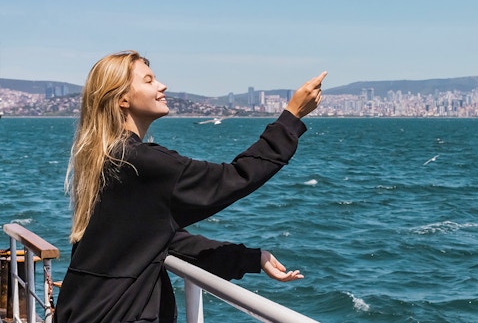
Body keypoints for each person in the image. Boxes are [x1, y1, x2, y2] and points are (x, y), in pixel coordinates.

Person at [55, 50, 326, 323]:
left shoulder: (108, 158)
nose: (162, 86)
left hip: (80, 309)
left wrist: (252, 259)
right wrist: (292, 116)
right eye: (148, 81)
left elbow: (160, 239)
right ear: (122, 99)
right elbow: (237, 177)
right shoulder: (144, 162)